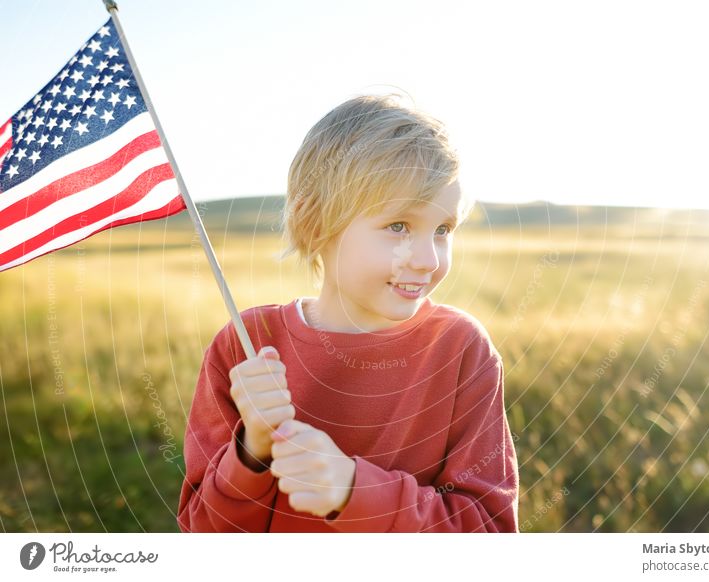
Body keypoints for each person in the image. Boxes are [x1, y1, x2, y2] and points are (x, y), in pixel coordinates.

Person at [177, 94, 519, 532]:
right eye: (398, 226)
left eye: (442, 230)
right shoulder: (246, 343)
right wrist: (251, 450)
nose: (429, 260)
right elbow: (203, 531)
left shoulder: (460, 350)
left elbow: (489, 530)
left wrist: (354, 492)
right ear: (317, 223)